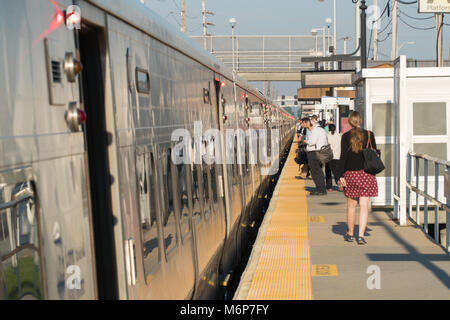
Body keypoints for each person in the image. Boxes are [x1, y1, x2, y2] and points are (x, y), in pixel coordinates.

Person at [336, 111, 378, 245]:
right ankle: (361, 236)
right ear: (360, 120)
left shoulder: (345, 137)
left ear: (349, 121)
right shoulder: (369, 135)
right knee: (364, 206)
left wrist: (340, 176)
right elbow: (374, 153)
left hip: (351, 175)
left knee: (351, 206)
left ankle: (350, 233)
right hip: (366, 175)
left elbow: (343, 158)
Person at [304, 117, 328, 195]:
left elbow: (312, 142)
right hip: (319, 152)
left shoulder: (316, 130)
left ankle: (320, 189)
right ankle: (321, 188)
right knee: (319, 171)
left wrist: (306, 141)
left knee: (315, 172)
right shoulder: (321, 130)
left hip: (314, 153)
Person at [325, 124, 341, 192]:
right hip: (337, 156)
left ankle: (329, 187)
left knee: (328, 172)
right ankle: (339, 182)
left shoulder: (327, 136)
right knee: (337, 172)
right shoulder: (339, 135)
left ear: (328, 129)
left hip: (329, 157)